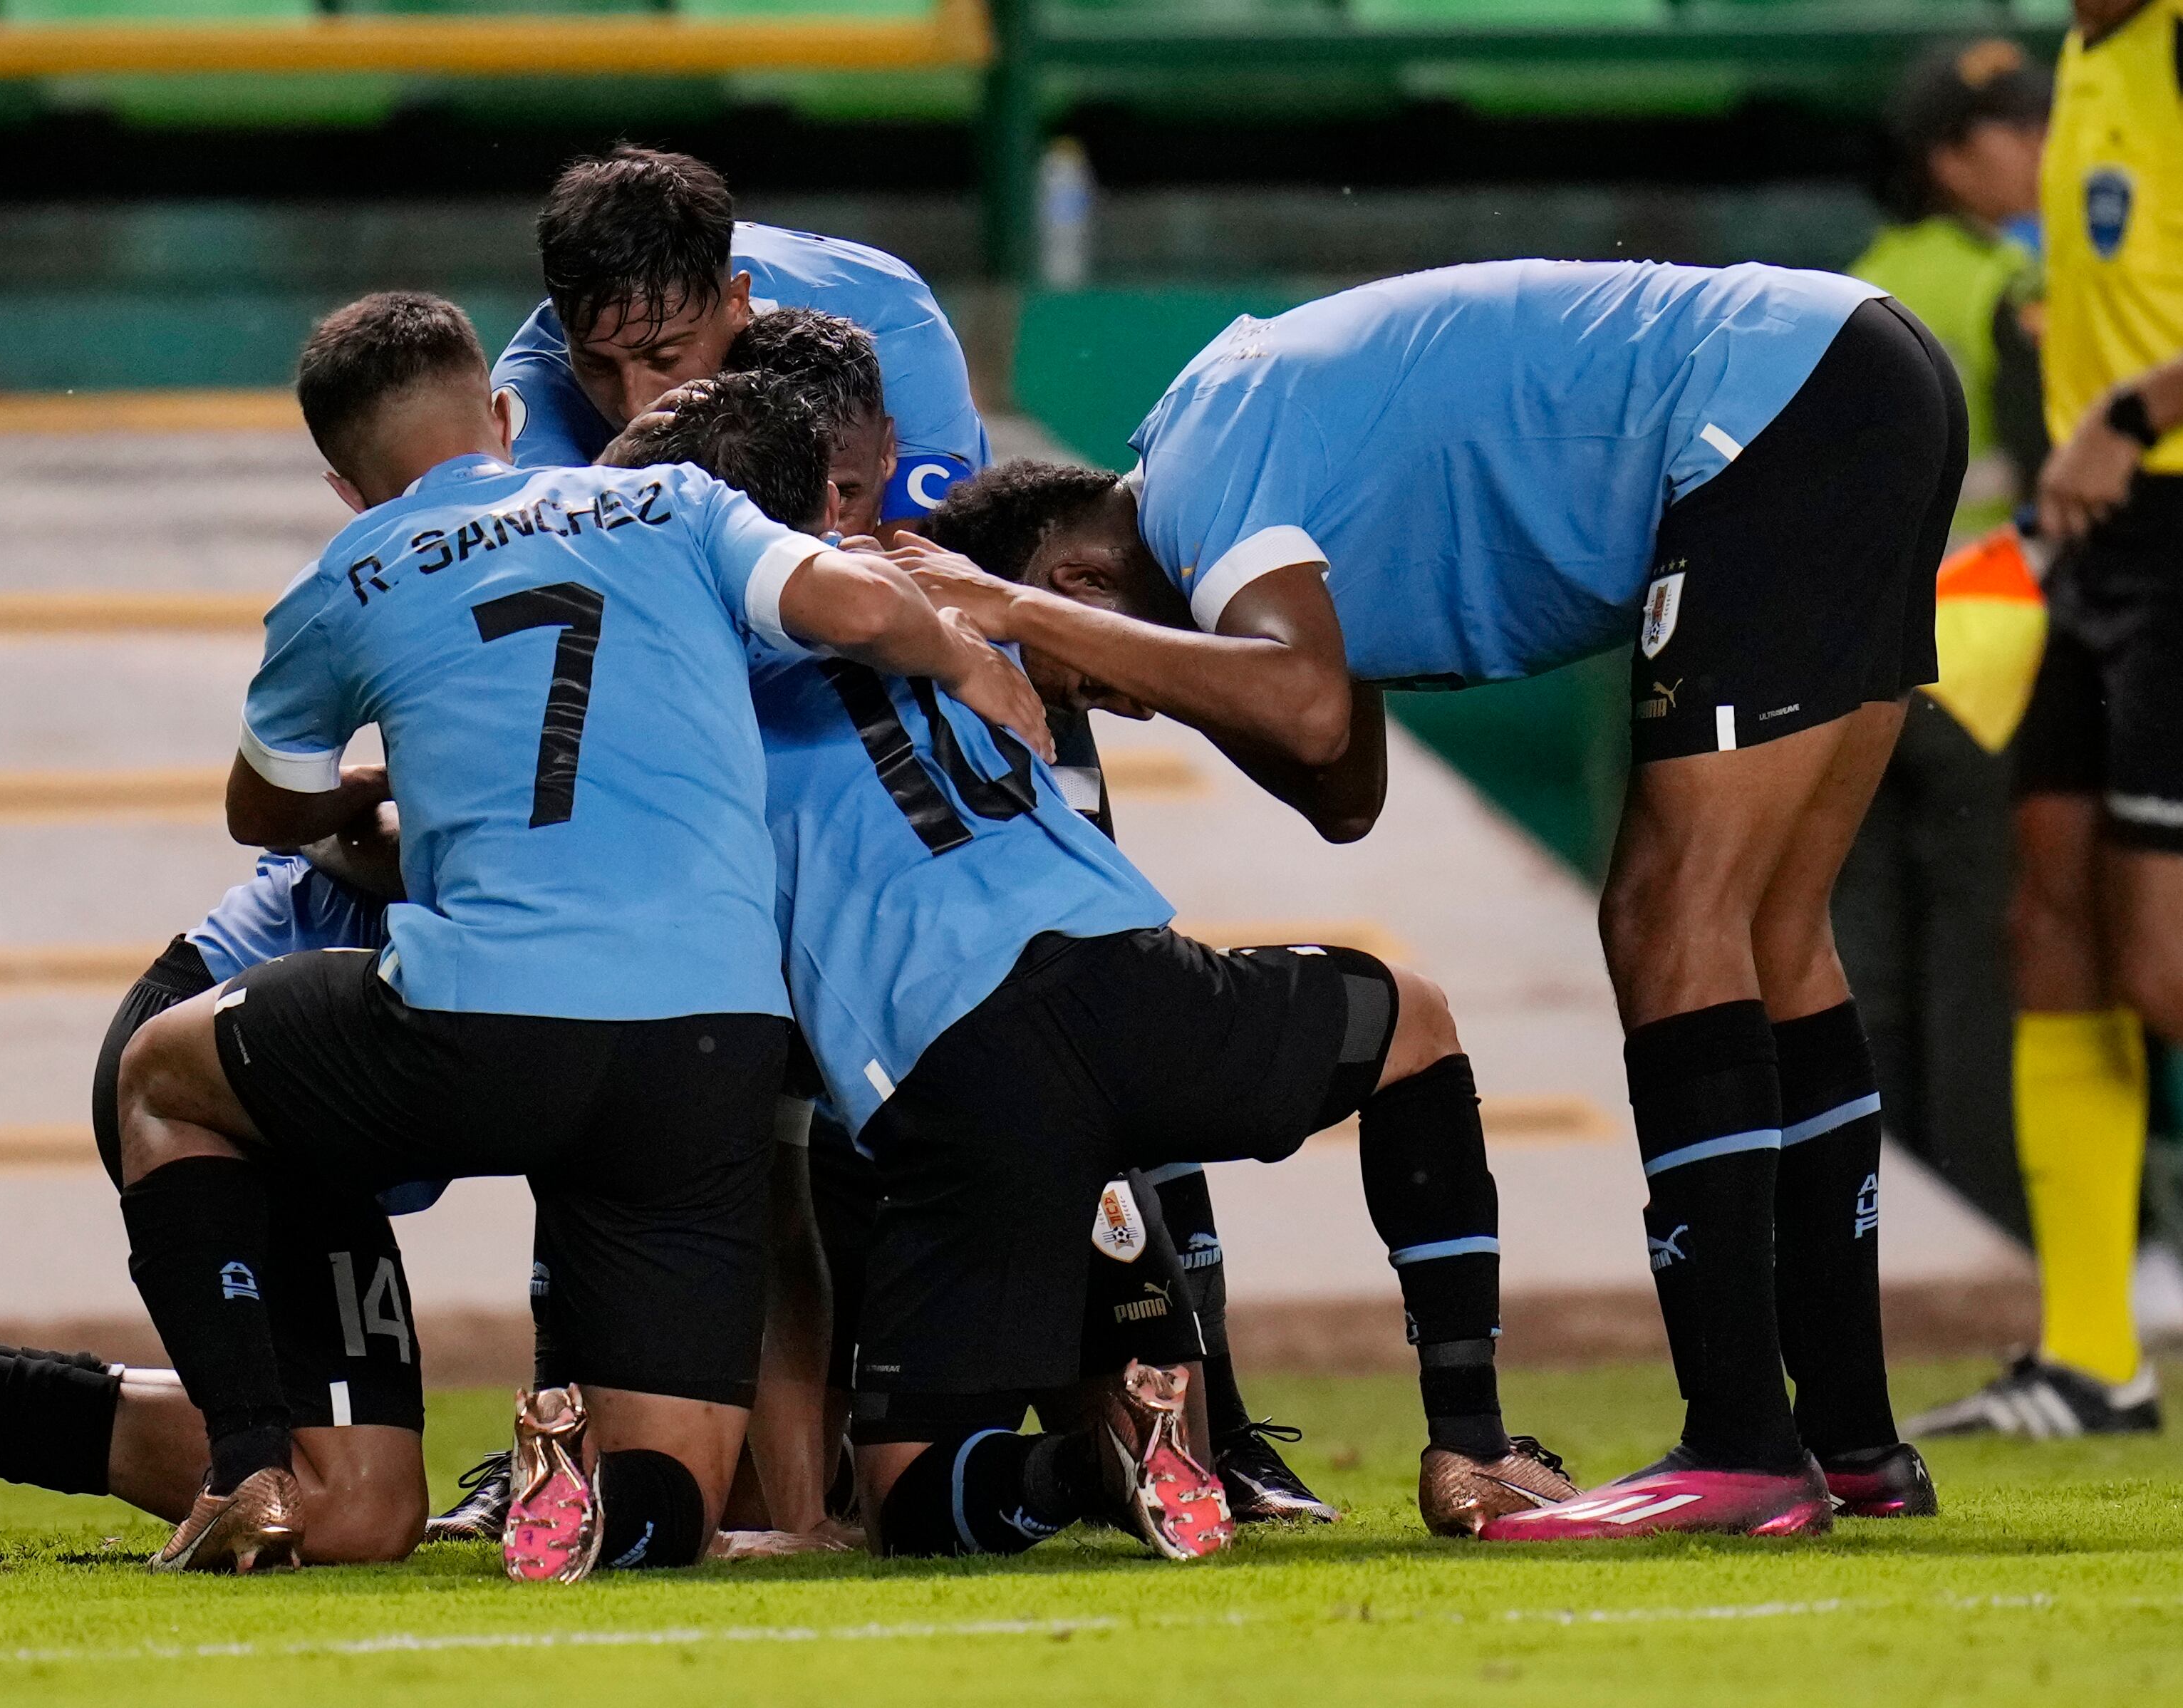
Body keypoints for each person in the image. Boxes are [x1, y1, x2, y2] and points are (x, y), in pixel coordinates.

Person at [916, 256, 1970, 1538]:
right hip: (1851, 372)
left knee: (1664, 912)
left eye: (1082, 676)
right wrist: (1155, 658)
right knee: (1777, 926)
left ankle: (1743, 1444)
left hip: (1764, 409)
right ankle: (1854, 1442)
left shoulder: (1197, 478)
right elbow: (1343, 787)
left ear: (1077, 583)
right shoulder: (1235, 462)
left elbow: (1307, 709)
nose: (1120, 704)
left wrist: (1018, 619)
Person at [108, 289, 1047, 1579]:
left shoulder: (350, 575)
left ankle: (249, 1465)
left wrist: (374, 792)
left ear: (343, 484)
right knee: (667, 1509)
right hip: (709, 1041)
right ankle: (603, 1490)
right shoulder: (671, 503)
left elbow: (260, 806)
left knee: (160, 1072)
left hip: (482, 1024)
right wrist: (967, 658)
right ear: (502, 416)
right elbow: (860, 607)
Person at [590, 376, 1573, 1557]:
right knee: (1411, 1020)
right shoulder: (928, 594)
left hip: (948, 1066)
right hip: (1126, 979)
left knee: (909, 1493)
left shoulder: (674, 676)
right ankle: (1470, 1441)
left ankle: (1087, 1466)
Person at [719, 306, 1335, 1526]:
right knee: (790, 1202)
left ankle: (1186, 1444)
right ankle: (809, 1506)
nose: (830, 518)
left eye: (852, 488)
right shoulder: (738, 624)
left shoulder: (962, 604)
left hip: (983, 1052)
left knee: (1105, 1121)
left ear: (888, 455)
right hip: (872, 1048)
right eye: (809, 493)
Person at [0, 835, 432, 1573]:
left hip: (337, 1065)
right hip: (238, 1049)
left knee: (366, 1504)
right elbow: (287, 807)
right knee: (355, 1509)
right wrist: (411, 838)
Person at [1910, 0, 2183, 1439]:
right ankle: (2092, 1358)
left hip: (2172, 513)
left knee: (2163, 964)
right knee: (2049, 923)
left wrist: (2130, 415)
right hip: (2097, 543)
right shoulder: (2085, 50)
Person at [1832, 38, 2053, 1240]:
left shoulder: (1861, 282)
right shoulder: (2006, 288)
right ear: (1947, 162)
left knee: (1865, 955)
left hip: (1859, 664)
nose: (2039, 150)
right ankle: (1984, 1222)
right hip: (1984, 665)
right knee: (1981, 956)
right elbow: (2059, 476)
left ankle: (1883, 1222)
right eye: (2013, 130)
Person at [492, 145, 985, 527]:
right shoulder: (533, 385)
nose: (634, 403)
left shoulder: (889, 319)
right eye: (597, 365)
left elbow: (931, 566)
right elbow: (537, 580)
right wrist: (608, 483)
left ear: (735, 303)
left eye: (665, 357)